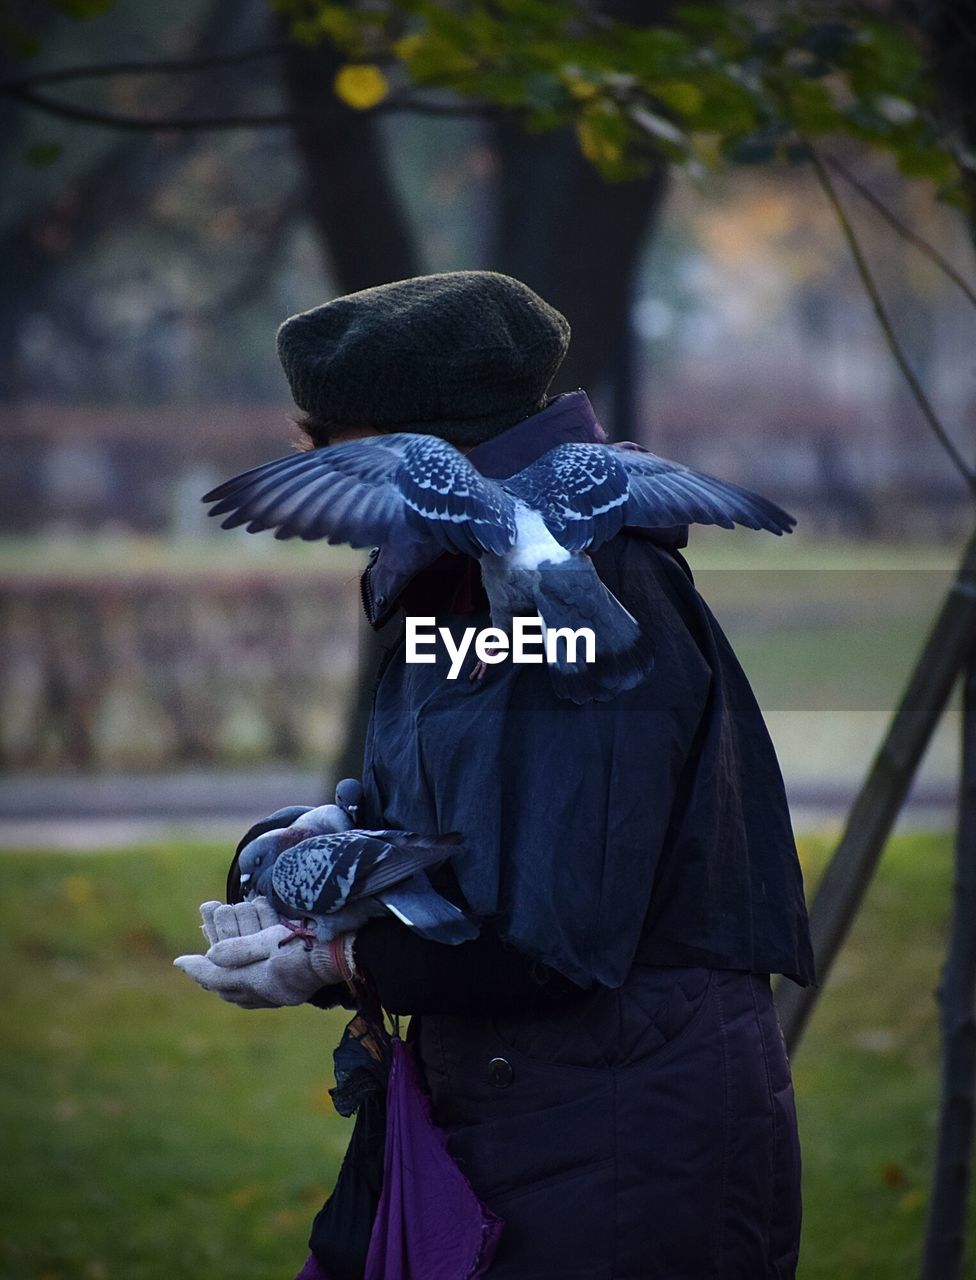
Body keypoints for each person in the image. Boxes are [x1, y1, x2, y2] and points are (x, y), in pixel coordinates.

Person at [175, 271, 815, 1280]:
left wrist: (342, 960)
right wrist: (312, 850)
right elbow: (461, 817)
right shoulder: (458, 585)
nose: (319, 479)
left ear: (409, 446)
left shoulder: (583, 591)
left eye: (324, 449)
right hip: (520, 1114)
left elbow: (551, 935)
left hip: (612, 1143)